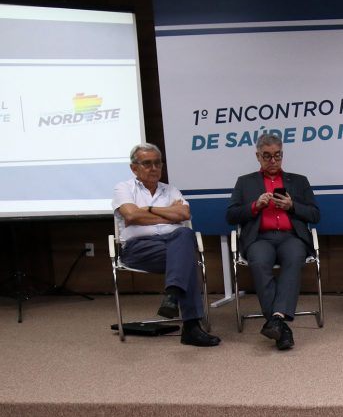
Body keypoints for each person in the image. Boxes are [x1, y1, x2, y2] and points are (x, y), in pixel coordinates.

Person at [112, 143, 220, 347]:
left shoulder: (171, 190)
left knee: (185, 234)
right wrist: (168, 214)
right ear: (134, 168)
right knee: (186, 255)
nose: (154, 168)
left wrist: (148, 210)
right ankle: (191, 327)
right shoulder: (123, 188)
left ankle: (173, 294)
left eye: (157, 163)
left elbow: (184, 214)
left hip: (173, 244)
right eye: (147, 163)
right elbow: (131, 215)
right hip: (139, 248)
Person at [226, 133, 320, 351]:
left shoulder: (299, 181)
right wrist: (255, 206)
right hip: (259, 238)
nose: (273, 161)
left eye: (277, 155)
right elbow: (231, 215)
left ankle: (276, 321)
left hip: (291, 237)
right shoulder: (245, 182)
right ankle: (280, 324)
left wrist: (292, 206)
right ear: (258, 156)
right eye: (267, 156)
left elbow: (315, 215)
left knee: (294, 258)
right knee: (259, 262)